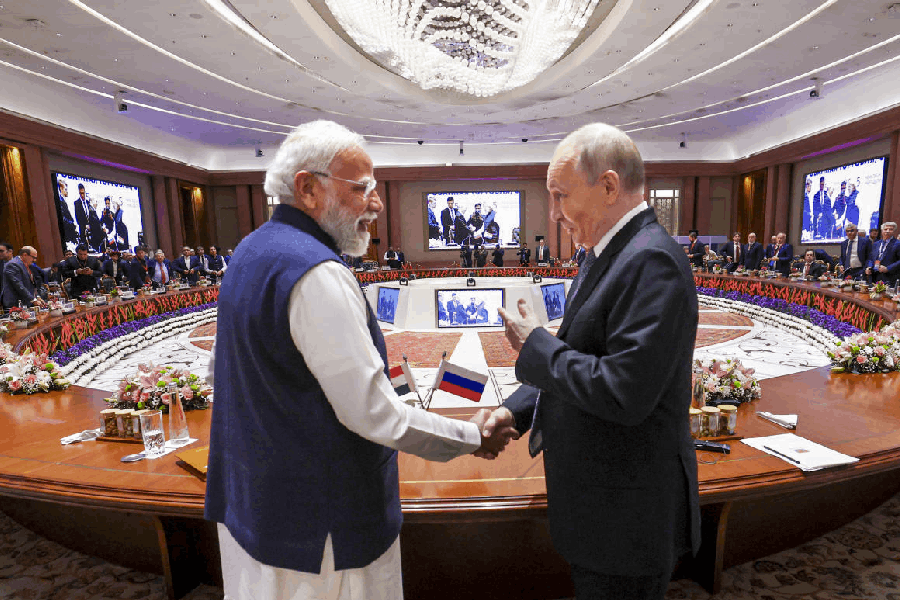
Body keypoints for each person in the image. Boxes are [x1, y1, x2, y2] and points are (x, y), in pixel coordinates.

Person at [204, 120, 517, 600]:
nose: (377, 203)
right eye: (363, 188)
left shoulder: (249, 252)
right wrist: (473, 435)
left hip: (257, 509)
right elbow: (373, 414)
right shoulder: (317, 273)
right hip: (323, 538)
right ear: (308, 188)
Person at [480, 123, 699, 600]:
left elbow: (624, 391)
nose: (554, 214)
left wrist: (534, 344)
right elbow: (580, 355)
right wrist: (513, 411)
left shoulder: (650, 261)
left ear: (608, 187)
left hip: (628, 515)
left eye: (560, 196)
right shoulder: (608, 253)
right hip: (603, 509)